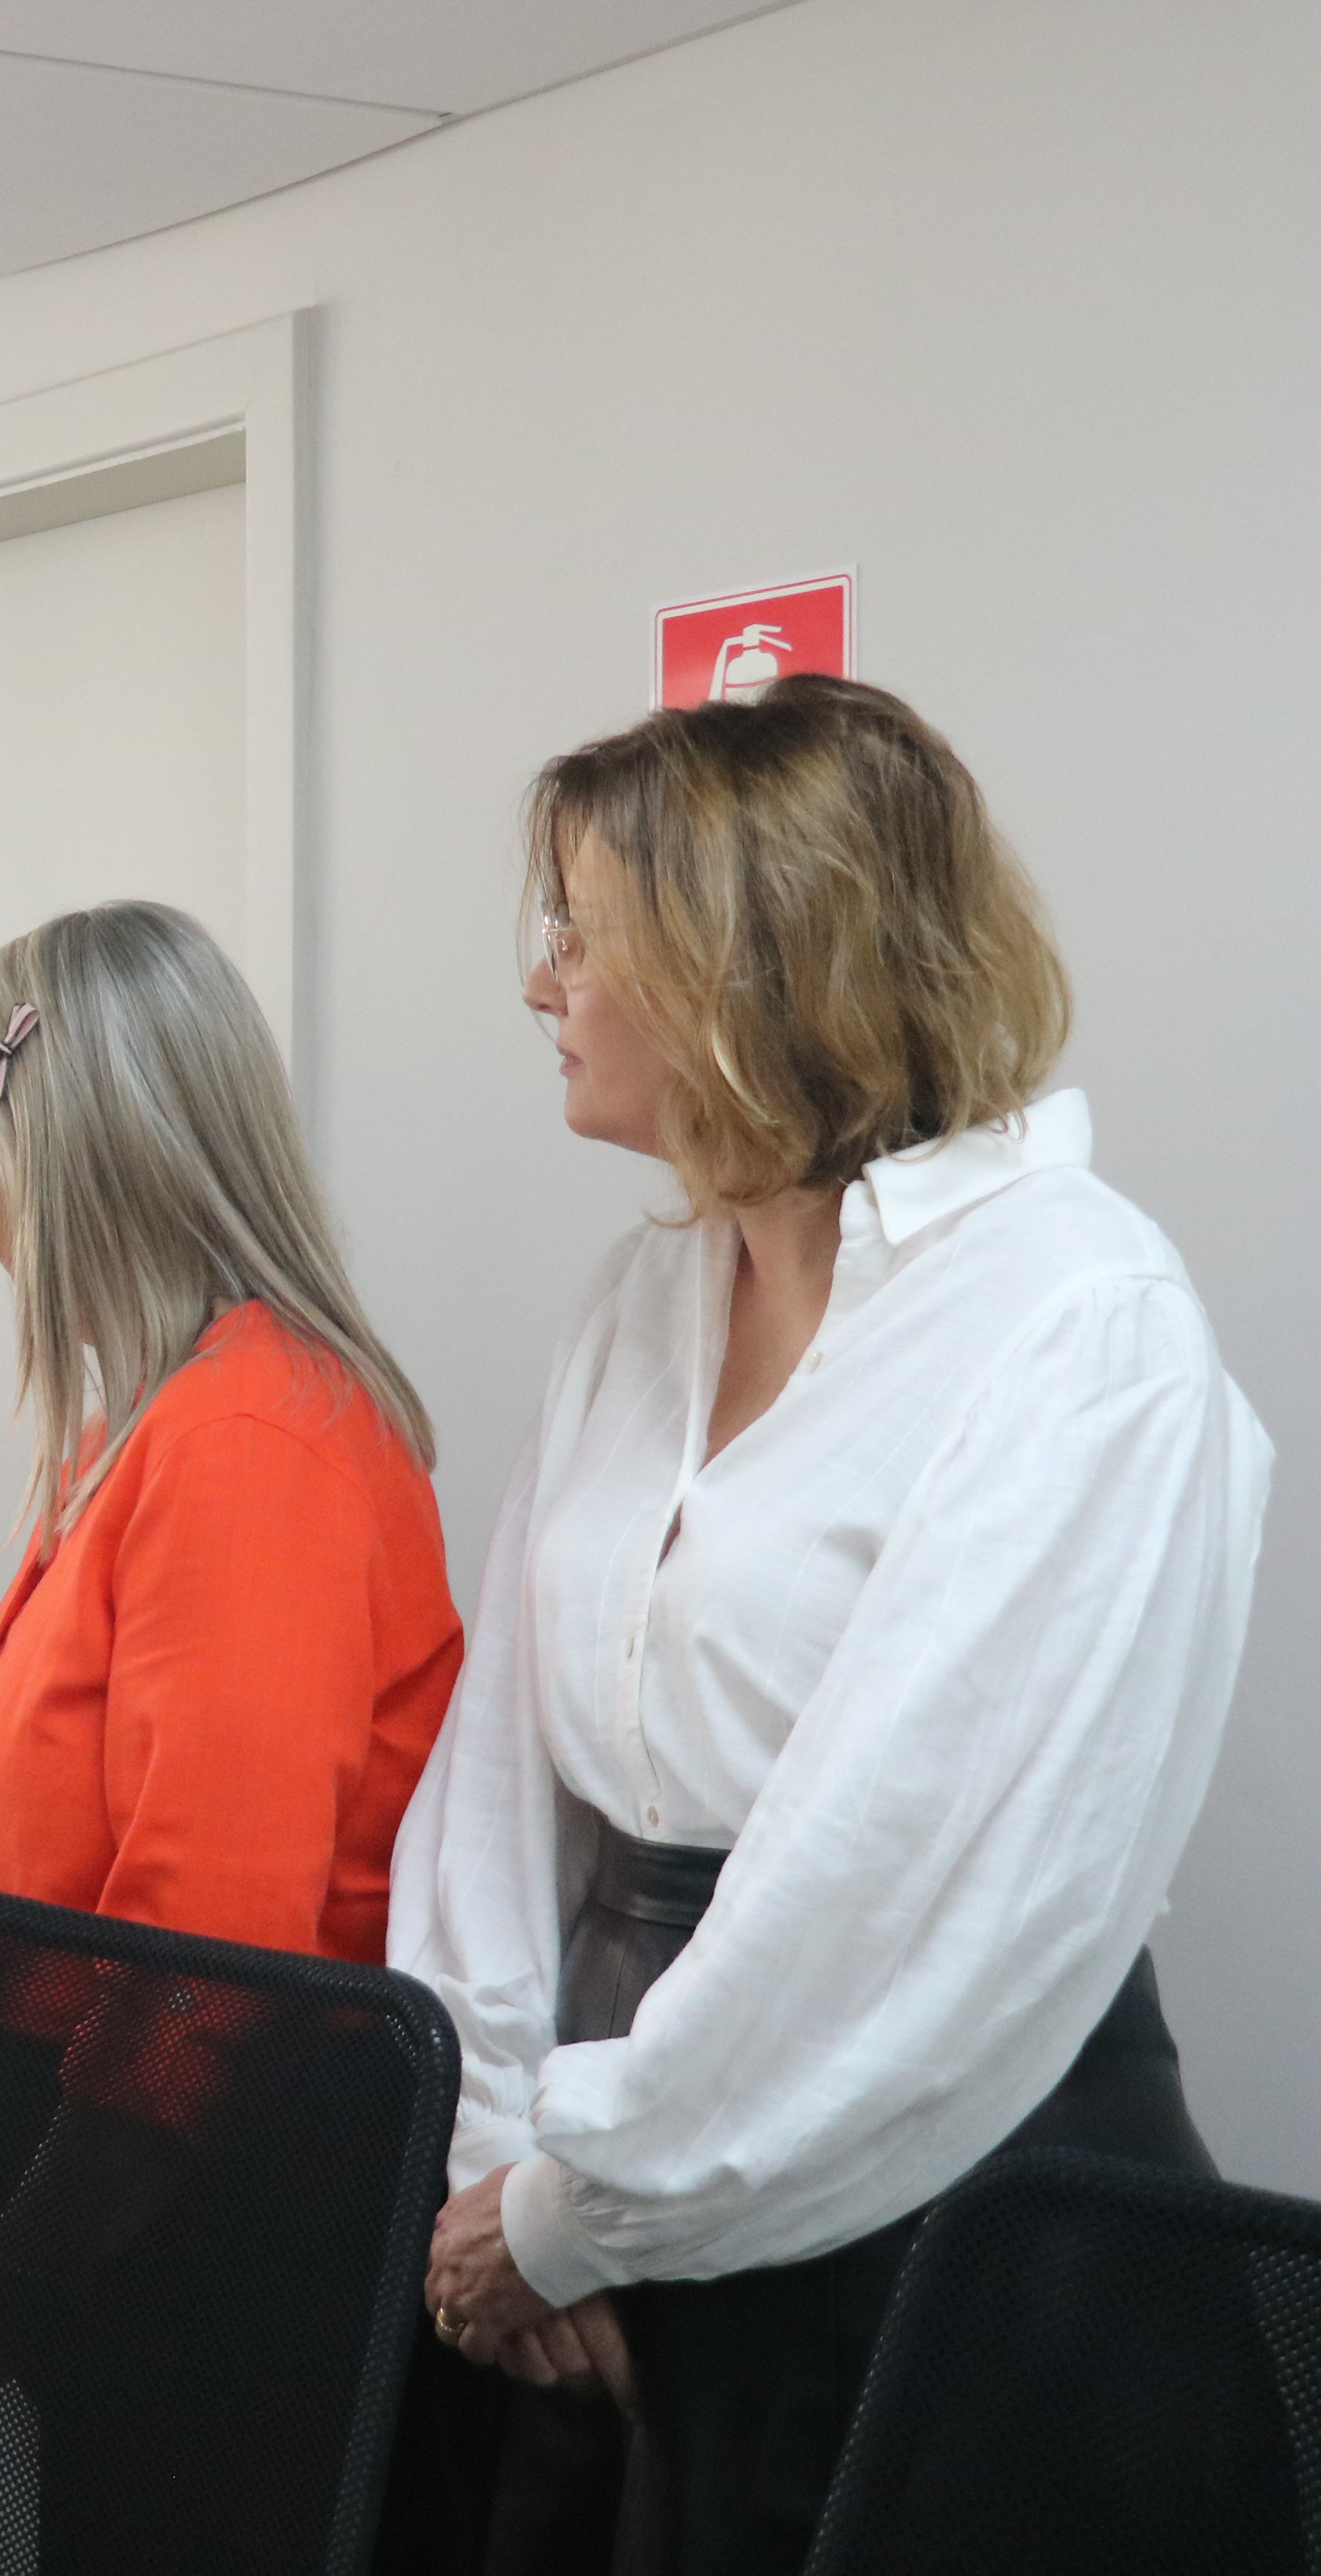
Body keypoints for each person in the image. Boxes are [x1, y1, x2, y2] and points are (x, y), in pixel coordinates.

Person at [388, 676, 1271, 2576]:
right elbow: (489, 1794)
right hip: (608, 2203)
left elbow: (893, 1880)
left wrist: (569, 2206)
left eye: (581, 930)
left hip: (942, 2219)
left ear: (748, 961)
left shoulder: (1078, 1321)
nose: (543, 982)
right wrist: (491, 2162)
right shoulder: (641, 1302)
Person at [0, 902, 461, 1958]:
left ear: (63, 1161)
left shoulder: (248, 1445)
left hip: (138, 2115)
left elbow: (205, 1954)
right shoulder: (161, 1425)